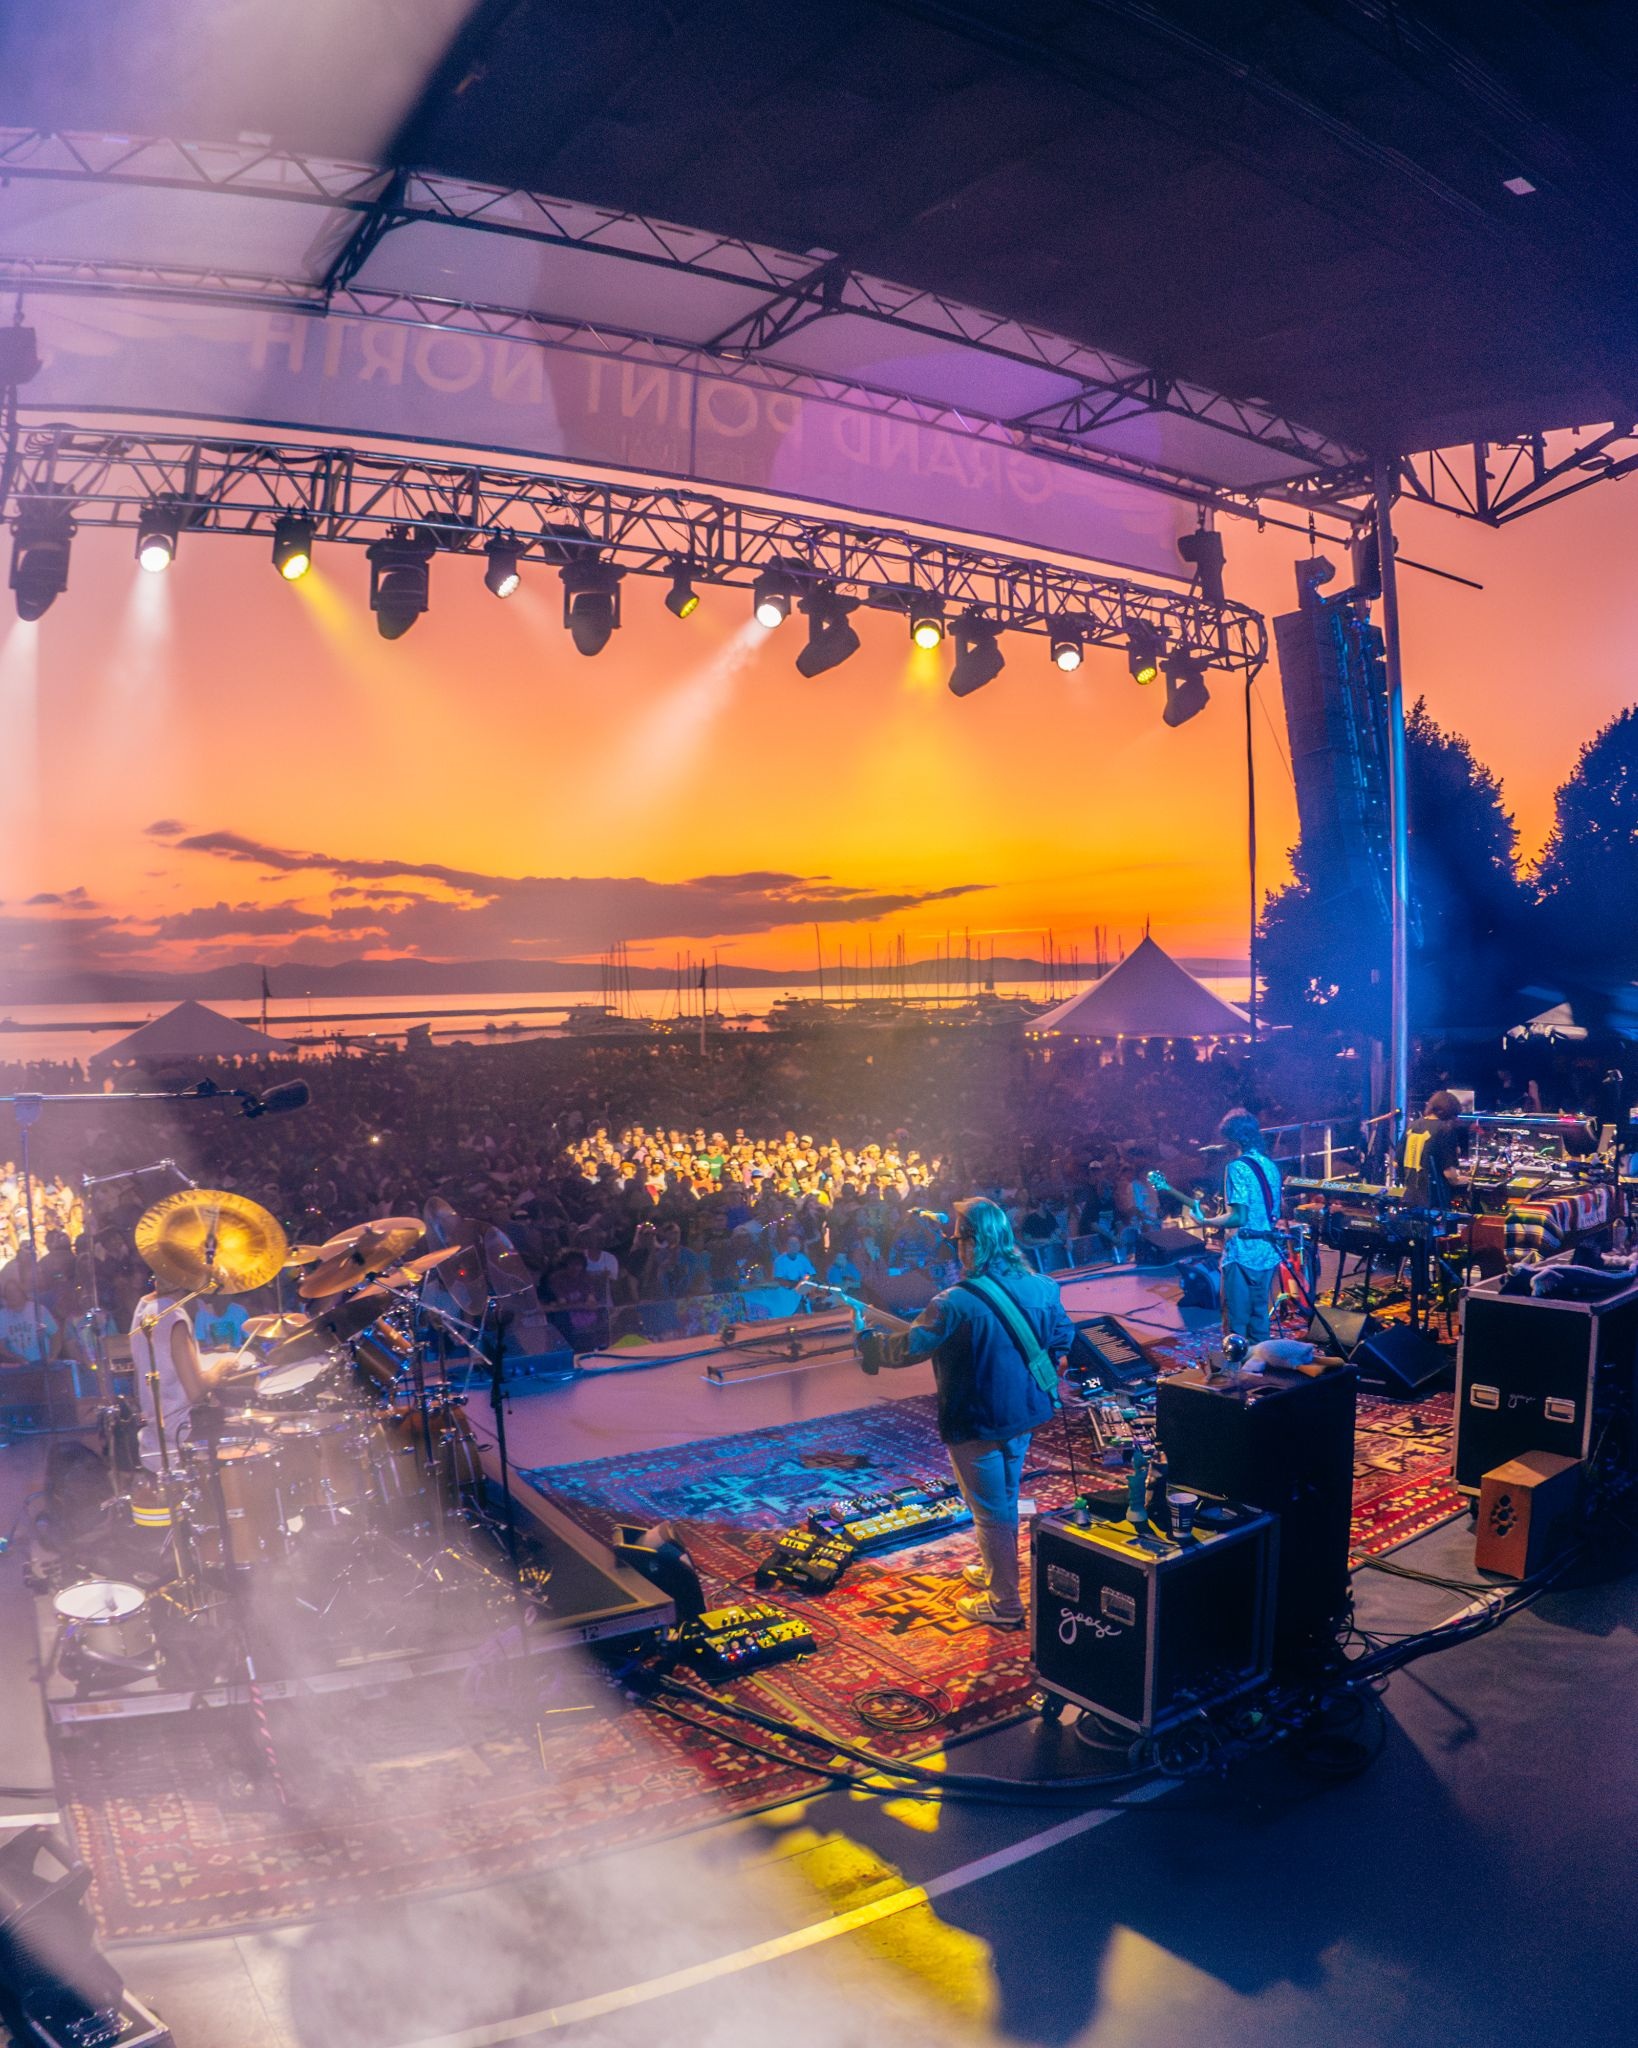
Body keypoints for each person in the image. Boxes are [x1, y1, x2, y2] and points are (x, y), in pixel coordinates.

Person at [859, 1197, 1090, 1629]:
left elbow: (910, 1348)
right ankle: (996, 1573)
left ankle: (1004, 1604)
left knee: (989, 1510)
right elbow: (1064, 1333)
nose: (955, 1249)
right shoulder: (1042, 1286)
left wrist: (869, 1344)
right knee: (1004, 1500)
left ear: (972, 1243)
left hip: (974, 1420)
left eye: (957, 1241)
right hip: (1024, 1413)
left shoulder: (953, 1302)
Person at [1213, 1109, 1284, 1346]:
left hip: (1242, 1253)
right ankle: (1262, 1363)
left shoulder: (1236, 1167)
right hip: (1266, 1251)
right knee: (1260, 1318)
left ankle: (1239, 1367)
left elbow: (1238, 1217)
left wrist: (1206, 1221)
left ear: (1233, 1140)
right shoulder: (1269, 1165)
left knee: (1236, 1322)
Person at [1400, 1090, 1467, 1209]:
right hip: (1434, 1201)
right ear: (1448, 1112)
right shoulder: (1445, 1130)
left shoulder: (1412, 1126)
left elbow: (1396, 1163)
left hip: (1410, 1197)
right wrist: (1464, 1180)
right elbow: (1449, 1174)